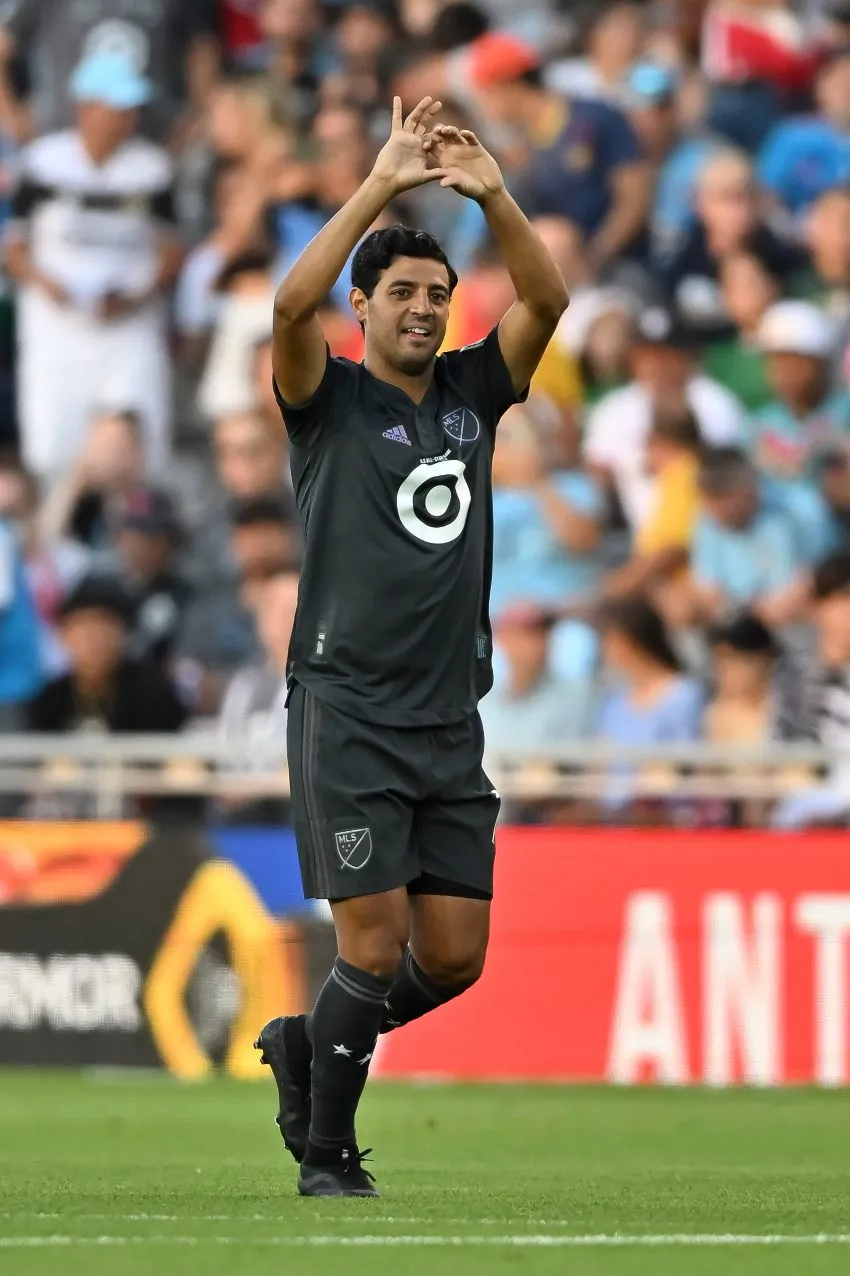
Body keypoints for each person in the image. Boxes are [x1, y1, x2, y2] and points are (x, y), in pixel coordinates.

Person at [253, 95, 567, 1198]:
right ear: (364, 308)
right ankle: (328, 1157)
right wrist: (383, 182)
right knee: (374, 948)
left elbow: (548, 296)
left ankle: (308, 1041)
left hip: (447, 717)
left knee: (455, 958)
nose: (426, 311)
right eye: (403, 294)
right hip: (347, 708)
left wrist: (491, 192)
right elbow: (288, 303)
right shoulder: (326, 402)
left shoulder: (477, 395)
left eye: (438, 295)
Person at [4, 50, 182, 483]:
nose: (127, 119)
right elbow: (14, 247)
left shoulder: (152, 169)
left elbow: (171, 250)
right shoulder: (44, 163)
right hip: (55, 323)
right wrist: (52, 287)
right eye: (116, 108)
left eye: (131, 109)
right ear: (86, 107)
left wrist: (136, 296)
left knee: (143, 440)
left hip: (129, 324)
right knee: (51, 446)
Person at [27, 575, 186, 734]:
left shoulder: (154, 693)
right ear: (65, 636)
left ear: (124, 634)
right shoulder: (49, 701)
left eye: (106, 628)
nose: (96, 641)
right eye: (85, 630)